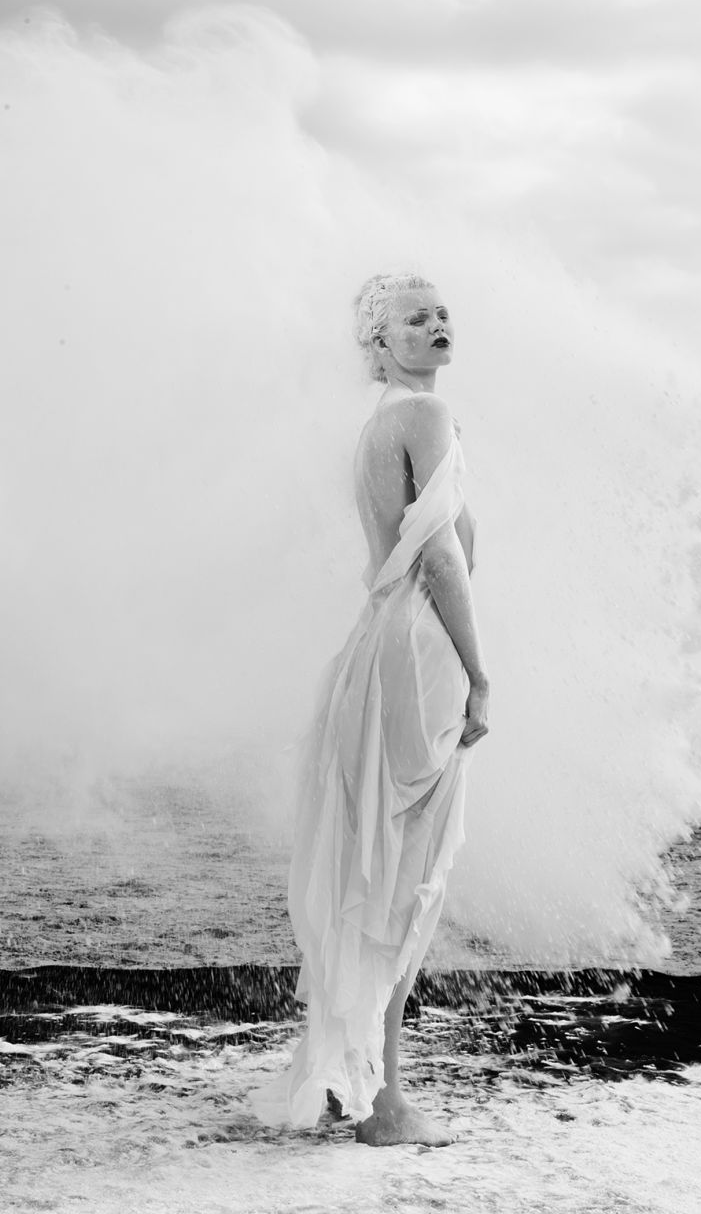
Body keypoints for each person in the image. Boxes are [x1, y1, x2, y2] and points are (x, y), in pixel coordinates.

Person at [252, 273, 489, 1146]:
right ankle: (387, 1102)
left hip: (380, 645)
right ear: (380, 343)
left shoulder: (378, 428)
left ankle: (379, 1090)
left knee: (380, 875)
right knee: (404, 878)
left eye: (441, 314)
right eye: (413, 318)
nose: (436, 324)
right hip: (419, 649)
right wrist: (482, 673)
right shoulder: (425, 419)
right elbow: (441, 564)